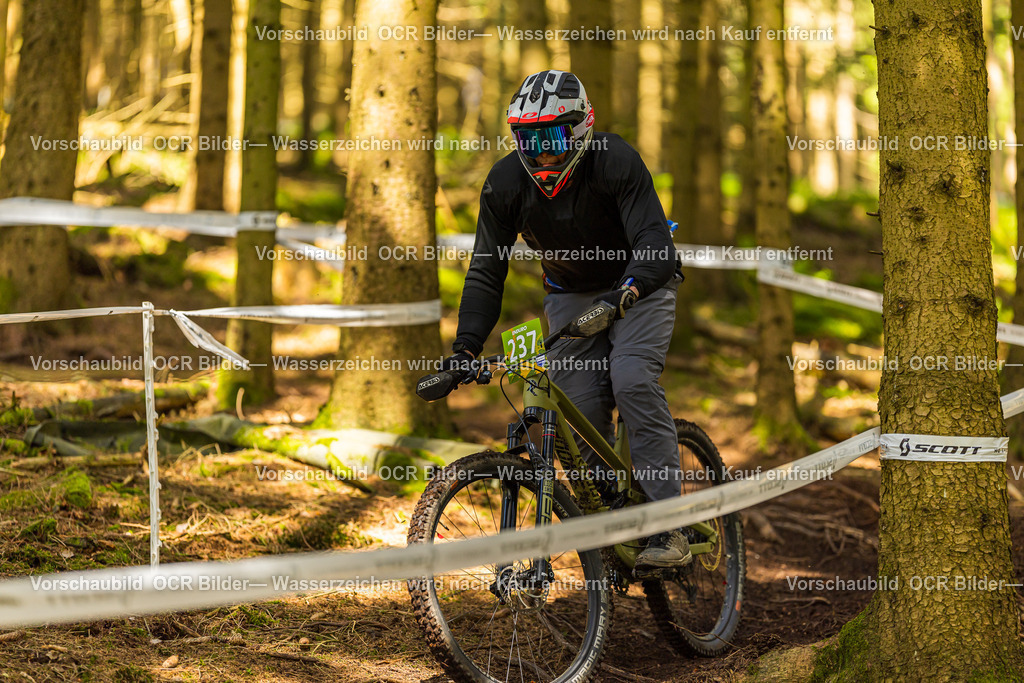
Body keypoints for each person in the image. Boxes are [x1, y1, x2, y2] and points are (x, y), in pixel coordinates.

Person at [443, 69, 690, 572]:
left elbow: (654, 242)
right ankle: (614, 520)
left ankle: (670, 524)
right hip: (570, 291)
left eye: (551, 136)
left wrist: (628, 291)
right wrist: (465, 347)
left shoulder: (614, 161)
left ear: (580, 129)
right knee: (577, 412)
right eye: (526, 139)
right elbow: (487, 272)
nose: (540, 151)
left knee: (631, 379)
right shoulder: (506, 183)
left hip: (640, 281)